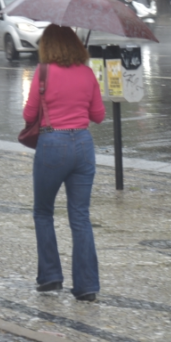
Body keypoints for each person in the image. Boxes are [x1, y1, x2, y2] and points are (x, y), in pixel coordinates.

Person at [22, 24, 105, 302]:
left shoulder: (43, 72)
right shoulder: (87, 72)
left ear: (47, 46)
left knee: (44, 212)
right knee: (80, 216)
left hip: (52, 145)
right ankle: (87, 286)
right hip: (83, 145)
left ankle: (50, 277)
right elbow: (99, 115)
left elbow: (29, 113)